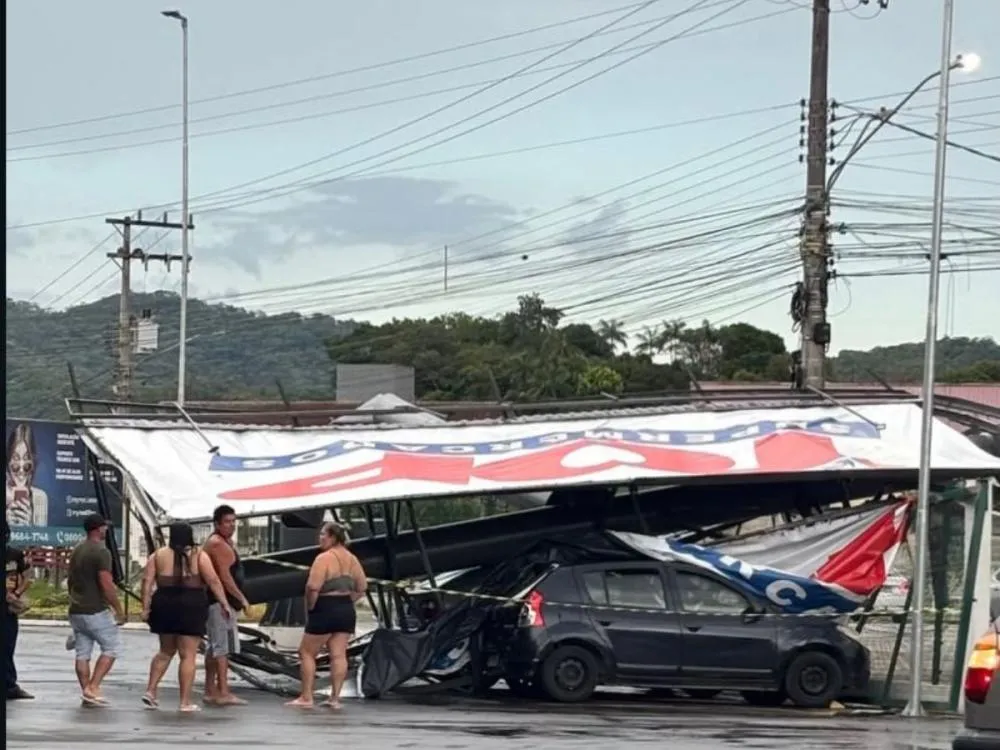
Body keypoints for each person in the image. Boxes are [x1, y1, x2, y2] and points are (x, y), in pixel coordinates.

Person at [141, 522, 232, 712]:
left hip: (164, 604)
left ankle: (151, 690)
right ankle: (184, 701)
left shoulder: (157, 555)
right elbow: (213, 580)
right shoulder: (199, 555)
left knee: (165, 651)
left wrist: (146, 607)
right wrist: (224, 603)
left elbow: (147, 582)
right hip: (192, 605)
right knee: (188, 655)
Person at [286, 522, 367, 710]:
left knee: (306, 652)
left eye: (323, 534)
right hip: (345, 609)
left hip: (325, 606)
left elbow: (312, 587)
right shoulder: (352, 559)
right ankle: (335, 699)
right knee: (338, 655)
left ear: (332, 537)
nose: (320, 538)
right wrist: (348, 601)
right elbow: (362, 587)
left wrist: (311, 606)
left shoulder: (323, 558)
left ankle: (306, 697)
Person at [66, 513, 125, 707]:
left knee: (82, 652)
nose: (106, 530)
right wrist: (118, 608)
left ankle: (86, 692)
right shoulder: (102, 552)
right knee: (112, 647)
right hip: (95, 609)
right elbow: (106, 583)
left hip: (76, 609)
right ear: (97, 529)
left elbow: (71, 579)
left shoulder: (77, 549)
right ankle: (93, 687)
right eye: (104, 527)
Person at [201, 504, 250, 706]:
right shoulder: (217, 544)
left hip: (219, 602)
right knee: (221, 648)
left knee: (215, 647)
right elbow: (224, 577)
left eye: (233, 521)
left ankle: (211, 689)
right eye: (227, 522)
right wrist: (241, 599)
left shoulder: (223, 542)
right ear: (217, 524)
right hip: (219, 602)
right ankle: (223, 691)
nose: (232, 525)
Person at [4, 517, 33, 700]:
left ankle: (10, 686)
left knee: (8, 647)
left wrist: (17, 593)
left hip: (8, 608)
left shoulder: (15, 554)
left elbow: (27, 577)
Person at [5, 423, 48, 528]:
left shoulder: (40, 498)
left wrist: (29, 528)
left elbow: (42, 539)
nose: (21, 468)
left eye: (26, 459)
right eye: (15, 459)